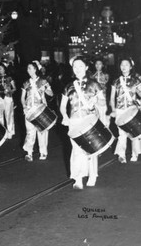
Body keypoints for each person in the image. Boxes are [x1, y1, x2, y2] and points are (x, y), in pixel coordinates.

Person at [60, 56, 104, 189]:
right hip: (74, 121)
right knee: (76, 149)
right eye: (75, 67)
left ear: (86, 67)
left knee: (91, 148)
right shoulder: (68, 86)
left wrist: (96, 102)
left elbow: (102, 102)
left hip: (89, 120)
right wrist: (65, 116)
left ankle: (92, 175)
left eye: (80, 66)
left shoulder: (94, 84)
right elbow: (63, 105)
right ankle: (78, 178)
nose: (77, 69)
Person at [21, 61, 54, 161]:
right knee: (30, 132)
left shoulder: (43, 81)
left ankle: (43, 152)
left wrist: (46, 89)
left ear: (35, 69)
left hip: (41, 109)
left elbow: (51, 94)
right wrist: (24, 107)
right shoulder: (26, 83)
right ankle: (29, 153)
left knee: (42, 131)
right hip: (29, 110)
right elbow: (23, 97)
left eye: (30, 68)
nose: (28, 70)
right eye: (27, 68)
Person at [110, 58, 141, 163]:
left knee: (134, 133)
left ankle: (135, 154)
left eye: (126, 64)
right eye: (122, 65)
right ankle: (121, 154)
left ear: (131, 67)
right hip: (120, 110)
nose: (124, 67)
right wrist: (113, 110)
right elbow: (112, 98)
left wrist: (136, 90)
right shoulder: (116, 81)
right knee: (122, 133)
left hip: (132, 109)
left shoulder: (136, 80)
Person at [0, 62, 16, 139]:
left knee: (9, 115)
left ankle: (10, 132)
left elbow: (14, 88)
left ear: (4, 68)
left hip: (8, 97)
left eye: (0, 68)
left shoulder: (9, 77)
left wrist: (9, 91)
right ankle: (2, 133)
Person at [92, 59, 110, 126]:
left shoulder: (106, 75)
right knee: (95, 114)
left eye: (100, 64)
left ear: (102, 65)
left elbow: (105, 86)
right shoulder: (91, 75)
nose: (98, 65)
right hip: (94, 97)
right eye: (96, 63)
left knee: (103, 114)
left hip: (103, 97)